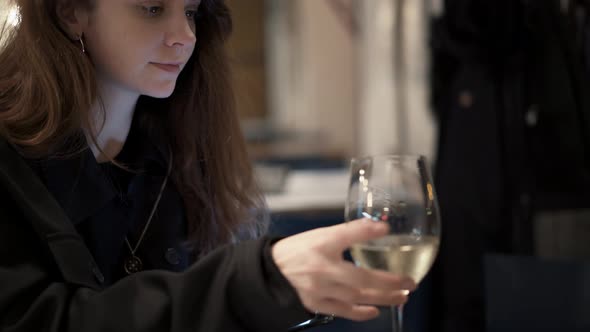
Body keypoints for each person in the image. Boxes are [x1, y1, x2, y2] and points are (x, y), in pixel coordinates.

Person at [0, 0, 416, 331]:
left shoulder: (179, 149)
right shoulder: (12, 164)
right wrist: (252, 283)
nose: (184, 35)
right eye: (152, 9)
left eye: (191, 11)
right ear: (70, 12)